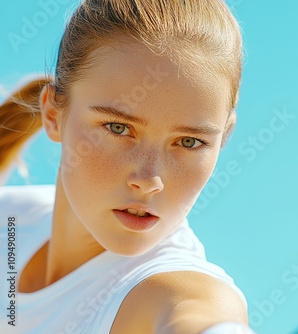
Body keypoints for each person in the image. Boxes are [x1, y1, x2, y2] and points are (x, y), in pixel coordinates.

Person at [0, 0, 254, 333]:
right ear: (53, 115)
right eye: (118, 128)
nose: (150, 180)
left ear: (224, 137)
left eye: (189, 142)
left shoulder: (173, 289)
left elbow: (197, 315)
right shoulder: (10, 219)